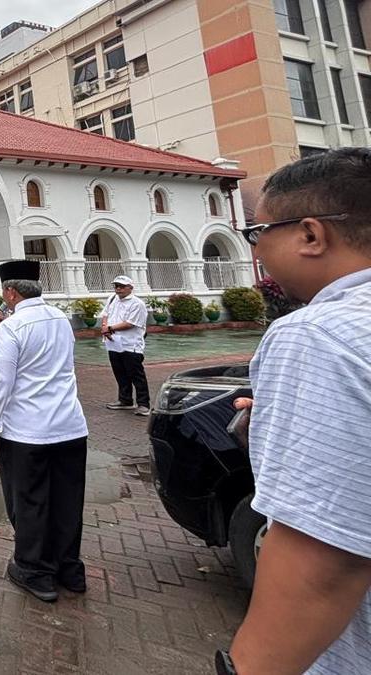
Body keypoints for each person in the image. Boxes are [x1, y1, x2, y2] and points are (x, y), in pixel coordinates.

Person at [222, 148, 371, 675]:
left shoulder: (318, 334)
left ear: (311, 234)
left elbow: (323, 560)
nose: (257, 250)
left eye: (258, 232)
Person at [0, 260, 89, 603]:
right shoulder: (61, 319)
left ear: (10, 292)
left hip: (27, 431)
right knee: (68, 500)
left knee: (29, 501)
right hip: (69, 425)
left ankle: (35, 570)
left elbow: (1, 381)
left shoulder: (10, 329)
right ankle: (69, 569)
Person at [100, 275, 151, 416]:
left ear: (130, 288)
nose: (118, 289)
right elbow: (105, 314)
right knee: (120, 373)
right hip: (113, 343)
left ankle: (143, 404)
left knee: (136, 374)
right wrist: (105, 326)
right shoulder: (112, 299)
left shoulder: (137, 304)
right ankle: (125, 400)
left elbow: (130, 323)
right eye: (116, 286)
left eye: (122, 286)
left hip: (131, 344)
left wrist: (109, 328)